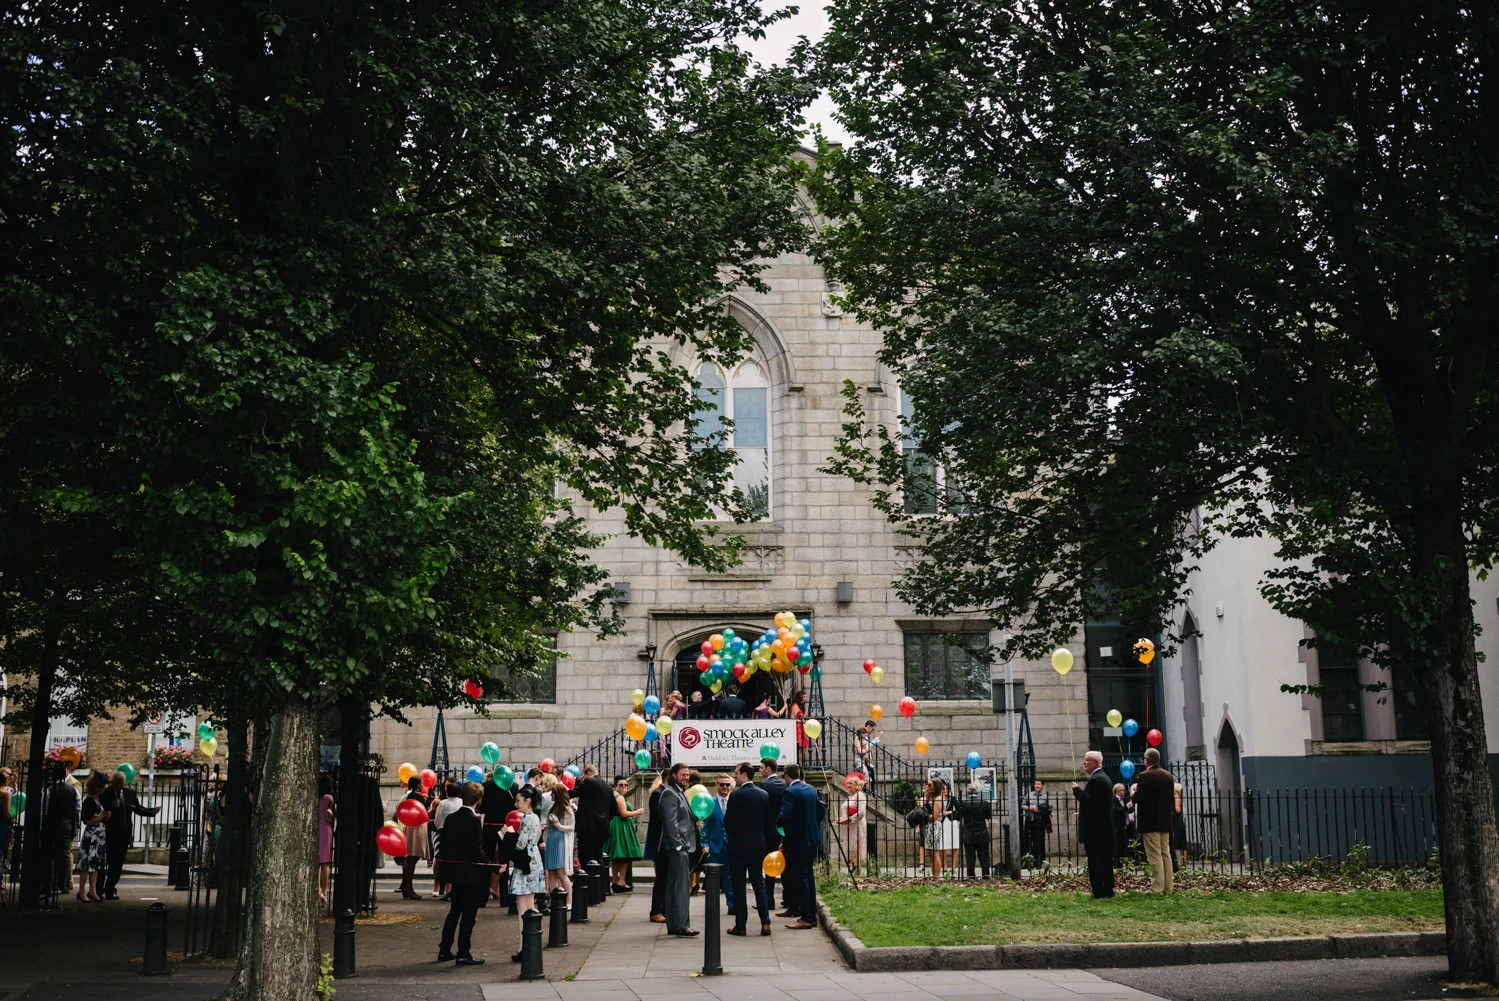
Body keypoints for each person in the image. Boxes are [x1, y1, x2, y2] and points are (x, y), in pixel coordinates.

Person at [436, 781, 489, 966]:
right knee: (468, 915)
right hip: (470, 873)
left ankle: (444, 949)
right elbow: (476, 850)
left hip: (454, 872)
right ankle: (463, 952)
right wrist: (492, 865)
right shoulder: (473, 821)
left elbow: (445, 845)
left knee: (454, 912)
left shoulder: (451, 818)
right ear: (478, 800)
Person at [724, 761, 771, 936]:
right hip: (757, 845)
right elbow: (767, 822)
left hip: (738, 846)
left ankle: (741, 925)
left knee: (738, 886)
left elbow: (727, 822)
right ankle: (765, 923)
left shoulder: (736, 796)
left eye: (736, 773)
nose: (734, 775)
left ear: (744, 774)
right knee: (759, 884)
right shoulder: (764, 795)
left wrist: (734, 834)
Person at [99, 769, 158, 900]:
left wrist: (152, 811)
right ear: (112, 782)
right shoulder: (105, 794)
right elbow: (101, 812)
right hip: (108, 834)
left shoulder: (129, 793)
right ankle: (98, 890)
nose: (120, 786)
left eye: (122, 783)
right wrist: (112, 807)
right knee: (105, 863)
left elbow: (138, 809)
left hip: (124, 834)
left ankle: (110, 888)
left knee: (117, 864)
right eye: (117, 783)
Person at [777, 764, 822, 929]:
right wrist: (812, 825)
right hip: (812, 839)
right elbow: (821, 810)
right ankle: (811, 914)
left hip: (797, 841)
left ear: (787, 776)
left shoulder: (790, 791)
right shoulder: (810, 788)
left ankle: (807, 917)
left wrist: (778, 825)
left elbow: (785, 816)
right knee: (809, 878)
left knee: (801, 878)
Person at [506, 785, 547, 961]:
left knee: (523, 907)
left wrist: (507, 834)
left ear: (527, 800)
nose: (516, 804)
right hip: (533, 861)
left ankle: (524, 947)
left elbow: (520, 844)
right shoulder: (535, 818)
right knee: (529, 904)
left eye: (518, 800)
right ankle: (531, 944)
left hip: (525, 863)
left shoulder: (528, 818)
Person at [658, 762, 698, 936]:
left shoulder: (679, 792)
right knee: (680, 887)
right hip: (676, 848)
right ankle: (681, 925)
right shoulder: (669, 793)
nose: (686, 777)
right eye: (683, 774)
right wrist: (678, 845)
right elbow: (670, 823)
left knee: (676, 887)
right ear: (673, 775)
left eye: (687, 774)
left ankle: (675, 924)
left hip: (681, 846)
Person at [1072, 750, 1115, 899]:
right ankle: (1107, 889)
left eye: (1087, 760)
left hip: (1096, 831)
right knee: (1104, 861)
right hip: (1102, 828)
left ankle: (1100, 890)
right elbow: (1098, 805)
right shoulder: (1102, 777)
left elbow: (1089, 801)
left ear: (1096, 762)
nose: (1084, 763)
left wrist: (1077, 791)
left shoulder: (1097, 779)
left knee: (1097, 862)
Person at [1134, 748, 1176, 894]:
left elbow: (1139, 798)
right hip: (1165, 821)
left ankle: (1156, 888)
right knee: (1166, 853)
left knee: (1154, 855)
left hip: (1150, 821)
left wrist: (1133, 794)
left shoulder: (1145, 775)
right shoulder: (1168, 775)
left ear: (1147, 760)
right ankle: (1168, 887)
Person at [757, 758, 789, 913]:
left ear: (769, 769)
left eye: (761, 767)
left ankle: (768, 900)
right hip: (782, 831)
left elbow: (761, 810)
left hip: (768, 832)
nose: (759, 770)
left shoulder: (764, 786)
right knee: (785, 865)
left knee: (769, 866)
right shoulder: (784, 785)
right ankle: (787, 898)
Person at [479, 768, 515, 902]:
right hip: (505, 826)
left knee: (487, 860)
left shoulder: (486, 785)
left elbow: (482, 808)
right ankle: (505, 898)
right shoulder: (513, 786)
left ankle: (482, 898)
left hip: (489, 826)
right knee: (504, 861)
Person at [396, 776, 434, 900]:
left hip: (409, 827)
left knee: (410, 859)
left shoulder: (410, 796)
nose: (423, 785)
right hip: (416, 828)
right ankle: (408, 888)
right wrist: (432, 805)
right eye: (421, 783)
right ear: (418, 784)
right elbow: (424, 814)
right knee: (412, 859)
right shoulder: (417, 796)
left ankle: (407, 887)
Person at [75, 772, 111, 902]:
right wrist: (101, 817)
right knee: (86, 865)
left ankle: (93, 891)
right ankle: (82, 891)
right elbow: (87, 821)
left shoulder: (100, 799)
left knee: (95, 865)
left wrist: (107, 816)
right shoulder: (89, 801)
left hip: (100, 835)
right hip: (91, 836)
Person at [606, 775, 643, 891]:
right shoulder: (620, 797)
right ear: (616, 786)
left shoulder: (613, 795)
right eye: (621, 785)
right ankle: (621, 881)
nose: (624, 787)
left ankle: (615, 881)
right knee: (624, 855)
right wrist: (637, 812)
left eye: (626, 784)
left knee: (616, 856)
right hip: (621, 826)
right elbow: (623, 813)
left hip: (616, 825)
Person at [574, 764, 614, 871]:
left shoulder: (589, 781)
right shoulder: (608, 787)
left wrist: (559, 793)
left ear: (588, 773)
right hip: (603, 828)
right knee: (598, 857)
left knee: (585, 858)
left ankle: (589, 885)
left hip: (588, 828)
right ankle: (598, 885)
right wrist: (605, 819)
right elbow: (614, 809)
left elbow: (574, 792)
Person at [544, 779, 575, 906]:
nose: (550, 795)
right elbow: (547, 824)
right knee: (551, 873)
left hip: (561, 840)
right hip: (551, 839)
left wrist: (559, 826)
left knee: (561, 873)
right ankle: (554, 901)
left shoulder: (567, 809)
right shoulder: (551, 808)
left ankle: (569, 901)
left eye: (552, 793)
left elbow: (571, 827)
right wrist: (545, 826)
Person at [703, 773, 731, 911]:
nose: (725, 787)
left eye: (727, 784)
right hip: (714, 847)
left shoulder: (735, 801)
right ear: (716, 785)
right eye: (722, 784)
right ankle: (712, 908)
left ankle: (732, 906)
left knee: (730, 879)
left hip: (731, 847)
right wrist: (705, 844)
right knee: (712, 881)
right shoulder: (710, 802)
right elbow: (705, 826)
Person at [643, 770, 668, 923]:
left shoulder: (666, 792)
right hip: (660, 843)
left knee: (665, 879)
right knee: (661, 879)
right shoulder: (658, 793)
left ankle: (664, 909)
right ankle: (656, 910)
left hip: (665, 843)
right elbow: (658, 819)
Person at [432, 778, 463, 899]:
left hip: (445, 833)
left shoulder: (443, 803)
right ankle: (454, 889)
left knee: (446, 861)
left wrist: (439, 827)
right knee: (457, 860)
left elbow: (437, 820)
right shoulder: (461, 802)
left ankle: (448, 889)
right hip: (459, 834)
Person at [958, 784, 992, 879]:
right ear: (977, 791)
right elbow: (988, 816)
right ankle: (985, 874)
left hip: (968, 834)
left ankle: (971, 875)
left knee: (970, 857)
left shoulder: (964, 803)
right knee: (984, 856)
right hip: (982, 833)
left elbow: (960, 816)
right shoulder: (984, 802)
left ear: (968, 792)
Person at [836, 774, 868, 870]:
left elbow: (861, 812)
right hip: (849, 826)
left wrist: (848, 819)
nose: (848, 785)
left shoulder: (860, 795)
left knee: (855, 846)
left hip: (857, 826)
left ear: (856, 785)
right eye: (847, 783)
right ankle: (853, 866)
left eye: (851, 783)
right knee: (851, 845)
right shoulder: (851, 796)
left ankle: (856, 868)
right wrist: (841, 818)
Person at [921, 777, 948, 880]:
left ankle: (936, 877)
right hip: (929, 826)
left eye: (930, 785)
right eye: (927, 784)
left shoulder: (938, 799)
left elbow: (934, 817)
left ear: (936, 787)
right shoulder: (933, 797)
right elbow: (927, 809)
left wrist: (923, 814)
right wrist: (926, 798)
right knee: (930, 853)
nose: (927, 786)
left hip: (934, 826)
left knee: (935, 853)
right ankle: (933, 876)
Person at [1021, 779, 1052, 866]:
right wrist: (1029, 807)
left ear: (1042, 786)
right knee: (1029, 840)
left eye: (1039, 784)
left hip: (1040, 821)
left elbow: (1050, 807)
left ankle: (1039, 860)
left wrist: (1040, 809)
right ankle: (1029, 861)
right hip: (1030, 820)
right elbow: (1022, 805)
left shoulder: (1045, 797)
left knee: (1039, 841)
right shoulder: (1029, 795)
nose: (1037, 786)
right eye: (1035, 784)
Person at [317, 773, 336, 909]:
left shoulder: (312, 798)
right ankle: (324, 891)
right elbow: (334, 813)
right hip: (326, 831)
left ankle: (317, 890)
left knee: (316, 864)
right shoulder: (329, 798)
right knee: (326, 864)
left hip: (315, 830)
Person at [1111, 782, 1130, 869]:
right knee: (1117, 847)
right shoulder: (1114, 800)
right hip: (1117, 828)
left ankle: (1122, 864)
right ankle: (1117, 865)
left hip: (1124, 827)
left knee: (1123, 846)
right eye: (1122, 790)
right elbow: (1117, 811)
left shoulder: (1124, 800)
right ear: (1117, 791)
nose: (1124, 792)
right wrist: (1127, 807)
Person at [1172, 781, 1187, 872]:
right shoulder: (1178, 797)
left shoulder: (1176, 797)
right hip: (1179, 822)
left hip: (1177, 822)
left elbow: (1177, 810)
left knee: (1178, 843)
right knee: (1181, 843)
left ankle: (1180, 863)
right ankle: (1182, 862)